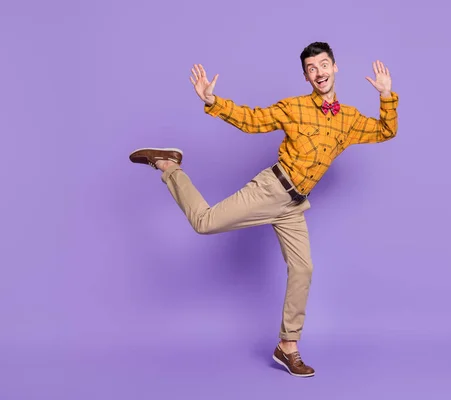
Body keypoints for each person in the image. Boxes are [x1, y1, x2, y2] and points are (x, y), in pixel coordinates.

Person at [129, 42, 399, 377]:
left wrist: (386, 96)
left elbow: (386, 130)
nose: (319, 73)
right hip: (272, 188)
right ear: (305, 76)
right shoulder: (294, 107)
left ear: (335, 68)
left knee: (303, 270)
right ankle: (169, 165)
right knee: (204, 222)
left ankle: (288, 346)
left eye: (324, 65)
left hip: (294, 204)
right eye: (312, 68)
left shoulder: (349, 119)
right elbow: (253, 120)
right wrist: (213, 101)